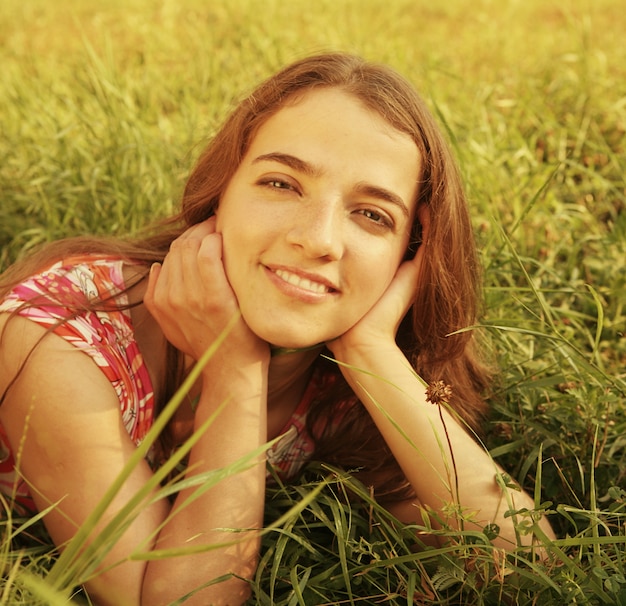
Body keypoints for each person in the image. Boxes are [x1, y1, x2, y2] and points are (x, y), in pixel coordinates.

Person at [0, 52, 555, 605]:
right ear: (221, 191)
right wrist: (234, 366)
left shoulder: (342, 374)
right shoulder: (59, 339)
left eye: (372, 214)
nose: (318, 239)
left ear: (413, 253)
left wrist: (370, 351)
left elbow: (535, 574)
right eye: (282, 184)